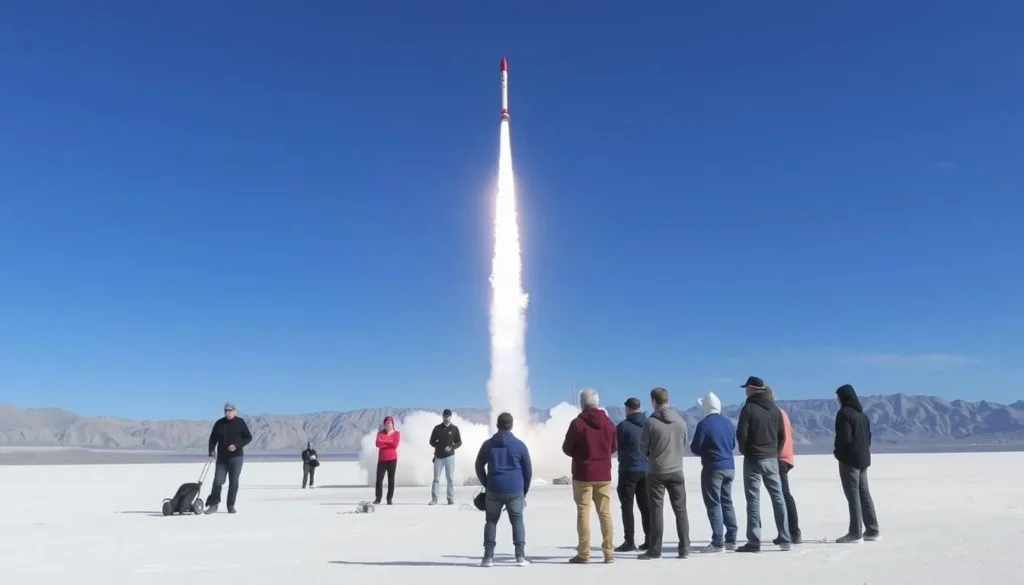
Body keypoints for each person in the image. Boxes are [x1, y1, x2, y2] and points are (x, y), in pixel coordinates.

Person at [734, 376, 791, 552]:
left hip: (753, 459)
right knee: (778, 498)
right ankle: (785, 538)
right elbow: (782, 435)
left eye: (746, 388)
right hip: (771, 459)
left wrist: (746, 451)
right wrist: (774, 450)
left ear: (752, 389)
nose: (745, 391)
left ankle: (754, 541)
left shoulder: (749, 408)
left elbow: (741, 434)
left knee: (753, 499)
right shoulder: (774, 409)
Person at [562, 387, 617, 564]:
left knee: (583, 513)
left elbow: (567, 448)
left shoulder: (577, 423)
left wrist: (581, 454)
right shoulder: (609, 423)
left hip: (583, 475)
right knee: (605, 513)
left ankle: (584, 553)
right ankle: (609, 553)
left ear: (582, 404)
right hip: (604, 474)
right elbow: (614, 447)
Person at [474, 412, 533, 567]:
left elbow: (478, 465)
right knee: (517, 521)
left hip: (494, 489)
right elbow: (528, 472)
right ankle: (520, 557)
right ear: (511, 425)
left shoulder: (488, 444)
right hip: (515, 490)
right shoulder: (520, 445)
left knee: (491, 521)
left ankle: (488, 558)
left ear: (497, 424)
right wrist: (523, 492)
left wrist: (487, 483)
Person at [638, 387, 690, 559]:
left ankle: (655, 550)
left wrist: (650, 455)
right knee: (681, 510)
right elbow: (684, 442)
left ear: (653, 401)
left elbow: (642, 448)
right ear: (667, 400)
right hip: (676, 470)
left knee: (656, 510)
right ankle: (684, 549)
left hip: (657, 471)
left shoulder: (651, 423)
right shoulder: (681, 421)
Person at [689, 391, 738, 553]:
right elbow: (732, 445)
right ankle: (731, 538)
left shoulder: (704, 424)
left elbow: (695, 447)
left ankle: (718, 542)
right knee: (727, 501)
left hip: (713, 468)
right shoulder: (728, 423)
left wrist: (707, 452)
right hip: (729, 466)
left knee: (714, 504)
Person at [833, 383, 880, 543]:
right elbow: (869, 438)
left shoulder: (844, 414)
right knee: (864, 493)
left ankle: (855, 532)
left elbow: (844, 439)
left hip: (849, 460)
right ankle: (872, 529)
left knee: (853, 495)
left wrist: (838, 453)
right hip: (863, 460)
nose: (837, 400)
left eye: (838, 397)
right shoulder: (862, 416)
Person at [614, 397, 651, 552]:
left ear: (628, 409)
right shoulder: (649, 424)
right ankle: (650, 539)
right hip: (646, 469)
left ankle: (629, 541)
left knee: (627, 507)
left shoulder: (623, 427)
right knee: (646, 506)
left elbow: (618, 448)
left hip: (628, 470)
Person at [766, 385, 801, 544]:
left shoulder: (774, 413)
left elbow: (777, 437)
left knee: (783, 495)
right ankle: (792, 532)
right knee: (784, 495)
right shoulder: (781, 412)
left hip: (779, 457)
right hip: (785, 457)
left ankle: (792, 532)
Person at [204, 402, 252, 514]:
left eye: (230, 410)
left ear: (235, 411)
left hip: (236, 457)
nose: (228, 412)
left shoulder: (240, 422)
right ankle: (213, 505)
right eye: (226, 410)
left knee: (233, 482)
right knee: (218, 481)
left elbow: (248, 437)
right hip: (222, 458)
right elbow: (213, 438)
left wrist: (236, 446)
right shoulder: (219, 423)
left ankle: (230, 505)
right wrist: (211, 450)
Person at [429, 408, 462, 505]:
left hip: (449, 457)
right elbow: (431, 441)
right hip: (438, 456)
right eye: (445, 416)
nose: (446, 418)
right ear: (442, 416)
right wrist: (438, 445)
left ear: (451, 417)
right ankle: (434, 498)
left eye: (448, 416)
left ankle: (450, 498)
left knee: (450, 478)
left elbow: (459, 442)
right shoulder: (437, 428)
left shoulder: (454, 429)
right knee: (436, 478)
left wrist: (452, 447)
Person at [374, 416, 400, 505]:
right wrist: (389, 443)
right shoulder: (380, 433)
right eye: (386, 423)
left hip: (392, 459)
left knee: (391, 479)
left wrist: (384, 442)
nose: (388, 425)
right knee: (379, 480)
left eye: (390, 423)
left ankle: (389, 498)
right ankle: (378, 498)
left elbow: (395, 444)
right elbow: (378, 443)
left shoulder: (396, 433)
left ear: (393, 424)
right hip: (382, 460)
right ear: (384, 425)